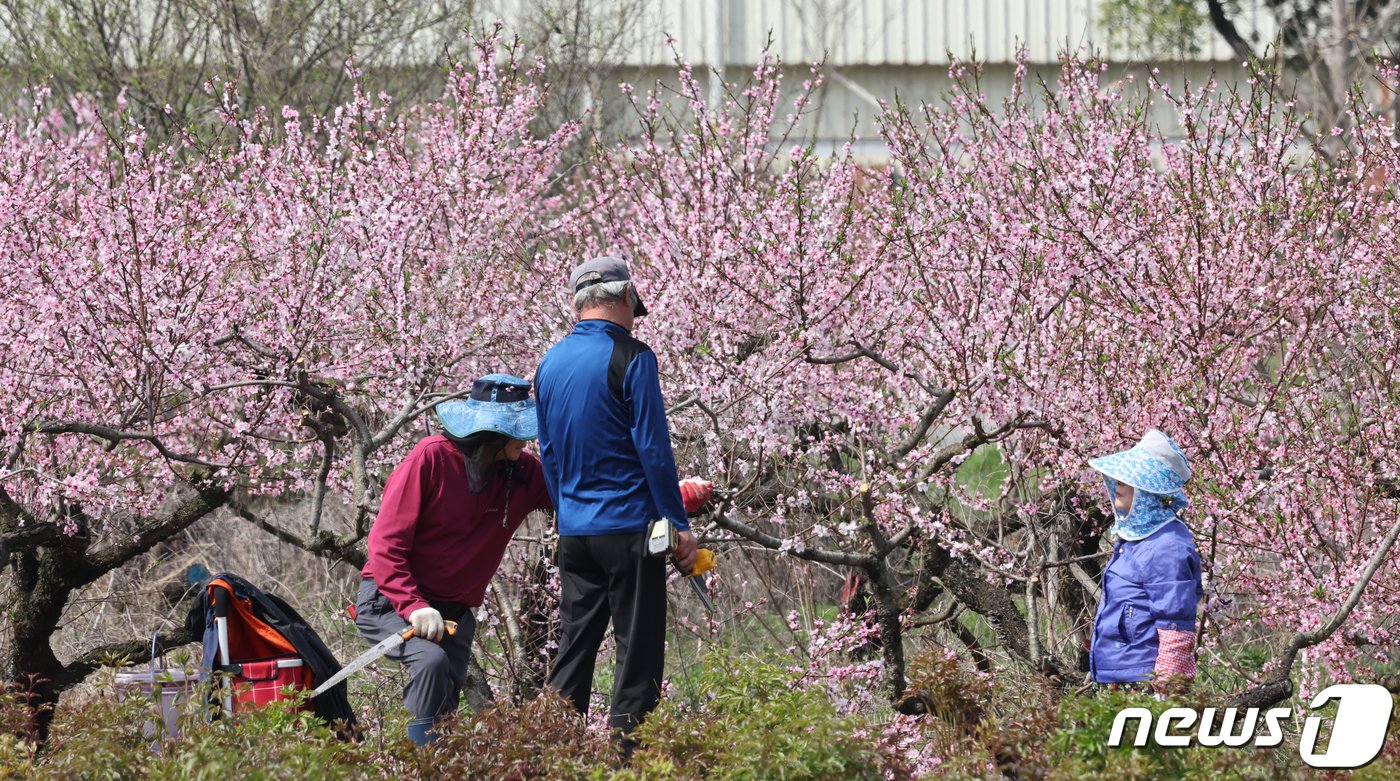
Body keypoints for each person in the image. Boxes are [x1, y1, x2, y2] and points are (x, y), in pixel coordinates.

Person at [533, 255, 713, 741]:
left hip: (575, 532)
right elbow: (652, 449)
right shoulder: (634, 357)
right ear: (628, 296)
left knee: (574, 648)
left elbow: (548, 453)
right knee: (637, 653)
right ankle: (631, 759)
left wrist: (566, 512)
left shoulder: (548, 364)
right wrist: (678, 524)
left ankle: (553, 754)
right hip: (630, 529)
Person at [356, 373, 551, 745]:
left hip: (454, 614)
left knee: (446, 706)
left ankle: (433, 762)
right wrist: (414, 605)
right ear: (495, 433)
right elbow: (385, 545)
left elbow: (575, 494)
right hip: (391, 602)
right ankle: (418, 762)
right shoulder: (431, 458)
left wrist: (665, 499)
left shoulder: (522, 473)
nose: (527, 441)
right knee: (431, 663)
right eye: (519, 432)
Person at [1087, 429, 1203, 693]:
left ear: (1146, 491)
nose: (1117, 488)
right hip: (1124, 676)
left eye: (1125, 483)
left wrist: (1166, 695)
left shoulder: (1167, 547)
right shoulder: (1138, 540)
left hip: (1144, 683)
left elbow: (1175, 629)